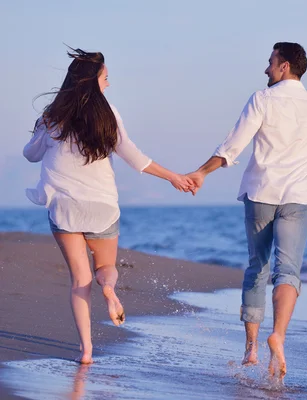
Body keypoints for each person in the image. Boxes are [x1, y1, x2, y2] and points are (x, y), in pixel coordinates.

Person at [23, 48, 193, 364]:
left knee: (79, 280)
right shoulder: (108, 114)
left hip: (64, 208)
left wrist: (39, 131)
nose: (109, 84)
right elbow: (134, 157)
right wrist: (173, 177)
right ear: (91, 82)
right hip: (102, 208)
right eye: (106, 78)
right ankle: (110, 289)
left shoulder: (51, 117)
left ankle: (86, 351)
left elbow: (30, 155)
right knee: (105, 269)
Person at [187, 42, 307, 380]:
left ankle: (250, 349)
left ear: (284, 67)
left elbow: (233, 146)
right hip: (298, 195)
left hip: (262, 193)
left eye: (270, 62)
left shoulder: (262, 99)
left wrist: (201, 172)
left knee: (258, 267)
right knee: (289, 271)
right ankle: (277, 335)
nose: (266, 69)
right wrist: (296, 165)